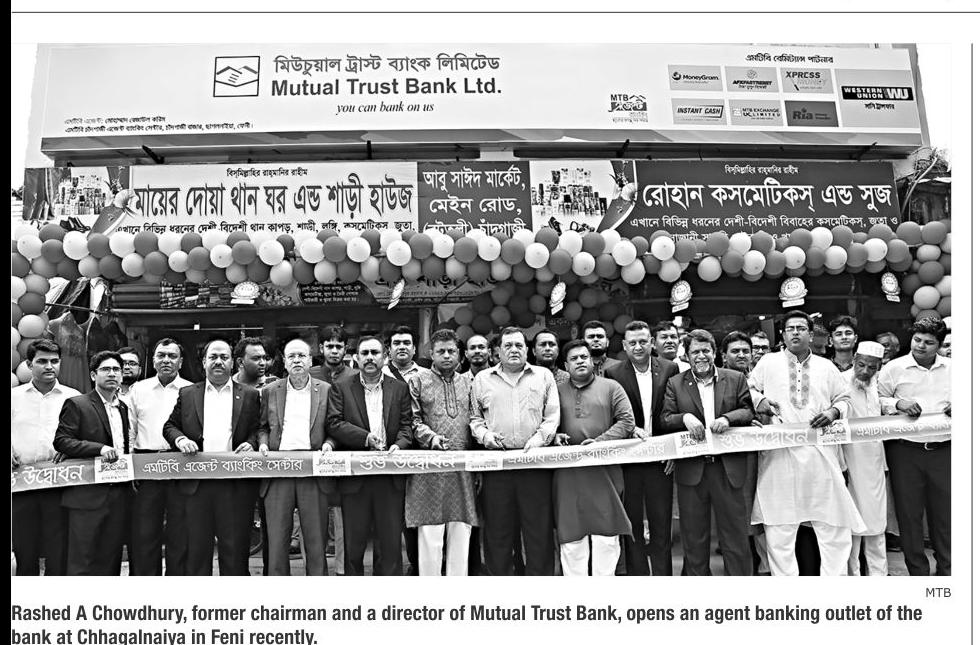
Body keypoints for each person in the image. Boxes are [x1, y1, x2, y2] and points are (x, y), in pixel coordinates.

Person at [748, 311, 863, 576]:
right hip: (780, 455)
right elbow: (748, 389)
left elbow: (845, 399)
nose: (795, 332)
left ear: (811, 335)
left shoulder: (826, 367)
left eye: (801, 328)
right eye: (790, 329)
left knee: (833, 524)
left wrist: (833, 412)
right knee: (779, 527)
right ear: (782, 335)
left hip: (821, 455)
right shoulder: (768, 362)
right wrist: (760, 401)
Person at [163, 339, 261, 576]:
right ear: (204, 362)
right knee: (196, 551)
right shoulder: (188, 393)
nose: (218, 362)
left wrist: (252, 443)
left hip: (234, 484)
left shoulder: (249, 394)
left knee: (235, 552)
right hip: (197, 486)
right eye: (213, 357)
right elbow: (170, 426)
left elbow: (259, 428)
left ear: (233, 362)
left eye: (224, 357)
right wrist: (180, 440)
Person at [662, 330, 755, 576]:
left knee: (735, 536)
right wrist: (684, 417)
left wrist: (728, 418)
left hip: (728, 469)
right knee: (694, 538)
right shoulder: (675, 383)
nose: (701, 356)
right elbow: (665, 418)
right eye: (695, 352)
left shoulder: (735, 378)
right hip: (692, 470)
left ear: (714, 353)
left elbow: (748, 411)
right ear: (687, 355)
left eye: (706, 351)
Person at [470, 326, 559, 576]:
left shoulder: (543, 376)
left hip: (535, 465)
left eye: (519, 345)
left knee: (538, 530)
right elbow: (475, 419)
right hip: (497, 467)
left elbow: (552, 416)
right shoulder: (482, 379)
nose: (514, 350)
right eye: (508, 345)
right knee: (498, 530)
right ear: (497, 351)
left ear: (527, 350)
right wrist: (485, 436)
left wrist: (540, 439)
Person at [326, 335, 414, 576]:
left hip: (390, 476)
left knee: (390, 545)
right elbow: (334, 423)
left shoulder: (399, 388)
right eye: (364, 353)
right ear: (355, 358)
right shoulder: (342, 387)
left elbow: (407, 426)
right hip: (356, 478)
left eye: (375, 353)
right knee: (353, 545)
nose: (369, 358)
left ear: (385, 356)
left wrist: (399, 446)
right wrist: (365, 438)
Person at [553, 340, 634, 576]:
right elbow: (545, 422)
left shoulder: (611, 387)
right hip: (569, 475)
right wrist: (554, 436)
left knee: (606, 536)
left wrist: (599, 442)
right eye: (574, 358)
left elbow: (627, 421)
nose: (580, 361)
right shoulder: (555, 391)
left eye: (584, 357)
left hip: (604, 472)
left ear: (592, 361)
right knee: (571, 537)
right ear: (566, 366)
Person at [878, 316, 951, 576]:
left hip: (945, 450)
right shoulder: (894, 368)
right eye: (917, 340)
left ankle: (948, 571)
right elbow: (877, 398)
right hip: (905, 451)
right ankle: (917, 573)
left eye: (928, 342)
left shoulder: (955, 368)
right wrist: (898, 404)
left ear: (939, 345)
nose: (920, 346)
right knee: (909, 515)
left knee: (946, 514)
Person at [606, 320, 680, 576]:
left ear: (651, 343)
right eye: (633, 343)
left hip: (662, 459)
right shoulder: (614, 373)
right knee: (633, 524)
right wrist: (629, 429)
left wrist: (673, 451)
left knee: (662, 523)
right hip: (630, 460)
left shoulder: (670, 369)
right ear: (624, 346)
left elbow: (675, 410)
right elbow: (612, 416)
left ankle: (663, 577)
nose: (638, 347)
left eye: (643, 341)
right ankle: (638, 576)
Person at [256, 338, 333, 576]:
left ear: (310, 360)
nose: (297, 360)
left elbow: (334, 426)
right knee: (277, 540)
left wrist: (329, 444)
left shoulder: (326, 389)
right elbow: (262, 427)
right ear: (285, 361)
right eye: (292, 356)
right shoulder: (270, 390)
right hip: (279, 470)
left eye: (301, 356)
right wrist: (263, 444)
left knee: (316, 540)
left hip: (313, 470)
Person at [406, 329, 480, 576]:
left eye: (451, 351)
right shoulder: (418, 381)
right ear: (431, 353)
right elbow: (413, 420)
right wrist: (431, 438)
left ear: (459, 354)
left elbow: (476, 419)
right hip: (430, 469)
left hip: (463, 468)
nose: (446, 356)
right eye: (441, 351)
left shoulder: (470, 382)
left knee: (461, 530)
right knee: (430, 533)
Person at [53, 351, 131, 575]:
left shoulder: (123, 408)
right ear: (93, 375)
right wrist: (99, 449)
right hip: (87, 495)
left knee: (111, 558)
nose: (112, 374)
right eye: (106, 369)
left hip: (118, 493)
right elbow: (62, 440)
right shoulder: (78, 404)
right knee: (82, 560)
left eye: (116, 370)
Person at [11, 339, 81, 576]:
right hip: (21, 483)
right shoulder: (14, 396)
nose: (49, 366)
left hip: (59, 482)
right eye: (42, 361)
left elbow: (83, 435)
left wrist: (72, 449)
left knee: (58, 546)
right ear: (29, 364)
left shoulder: (74, 397)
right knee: (24, 547)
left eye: (54, 361)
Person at [127, 338, 192, 576]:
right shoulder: (138, 389)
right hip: (146, 465)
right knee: (144, 532)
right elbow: (131, 430)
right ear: (153, 360)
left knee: (180, 531)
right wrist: (130, 466)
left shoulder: (191, 390)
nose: (166, 360)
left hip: (180, 465)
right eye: (161, 355)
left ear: (181, 362)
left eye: (172, 356)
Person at [308, 324, 356, 573]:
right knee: (312, 512)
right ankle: (316, 570)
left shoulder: (354, 375)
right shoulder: (310, 373)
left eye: (339, 346)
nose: (334, 351)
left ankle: (342, 569)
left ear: (346, 349)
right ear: (321, 348)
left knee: (342, 512)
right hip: (314, 451)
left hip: (344, 450)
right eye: (330, 346)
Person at [721, 331, 769, 575]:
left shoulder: (764, 378)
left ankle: (766, 567)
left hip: (768, 457)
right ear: (724, 355)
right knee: (742, 515)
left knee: (766, 512)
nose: (741, 355)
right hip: (736, 460)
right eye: (735, 351)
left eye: (745, 351)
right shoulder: (718, 381)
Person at [842, 341, 888, 576]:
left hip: (875, 461)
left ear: (879, 367)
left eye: (871, 367)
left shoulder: (878, 384)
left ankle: (879, 574)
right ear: (854, 360)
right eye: (861, 365)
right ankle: (854, 574)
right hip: (849, 459)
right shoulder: (840, 381)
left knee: (877, 520)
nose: (865, 371)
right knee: (852, 521)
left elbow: (886, 403)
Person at [381, 325, 423, 574]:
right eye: (396, 343)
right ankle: (391, 567)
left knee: (417, 513)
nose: (402, 347)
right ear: (389, 349)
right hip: (388, 452)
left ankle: (418, 564)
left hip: (421, 451)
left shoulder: (426, 374)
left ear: (414, 348)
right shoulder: (378, 373)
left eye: (407, 343)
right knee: (391, 513)